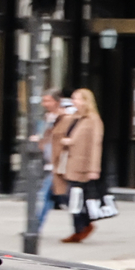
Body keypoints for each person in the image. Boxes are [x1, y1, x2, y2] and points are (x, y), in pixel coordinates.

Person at [55, 86, 106, 243]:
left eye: (76, 98)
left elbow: (96, 145)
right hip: (70, 164)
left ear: (85, 101)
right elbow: (60, 132)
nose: (73, 101)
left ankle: (82, 228)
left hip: (83, 166)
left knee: (75, 198)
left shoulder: (93, 120)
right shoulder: (74, 118)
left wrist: (93, 169)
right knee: (71, 198)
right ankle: (82, 226)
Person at [32, 87, 70, 238]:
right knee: (49, 197)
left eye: (48, 100)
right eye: (43, 100)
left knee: (44, 195)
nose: (44, 103)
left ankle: (35, 227)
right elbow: (44, 139)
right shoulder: (46, 118)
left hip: (59, 164)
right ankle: (36, 226)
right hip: (48, 163)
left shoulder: (65, 118)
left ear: (56, 101)